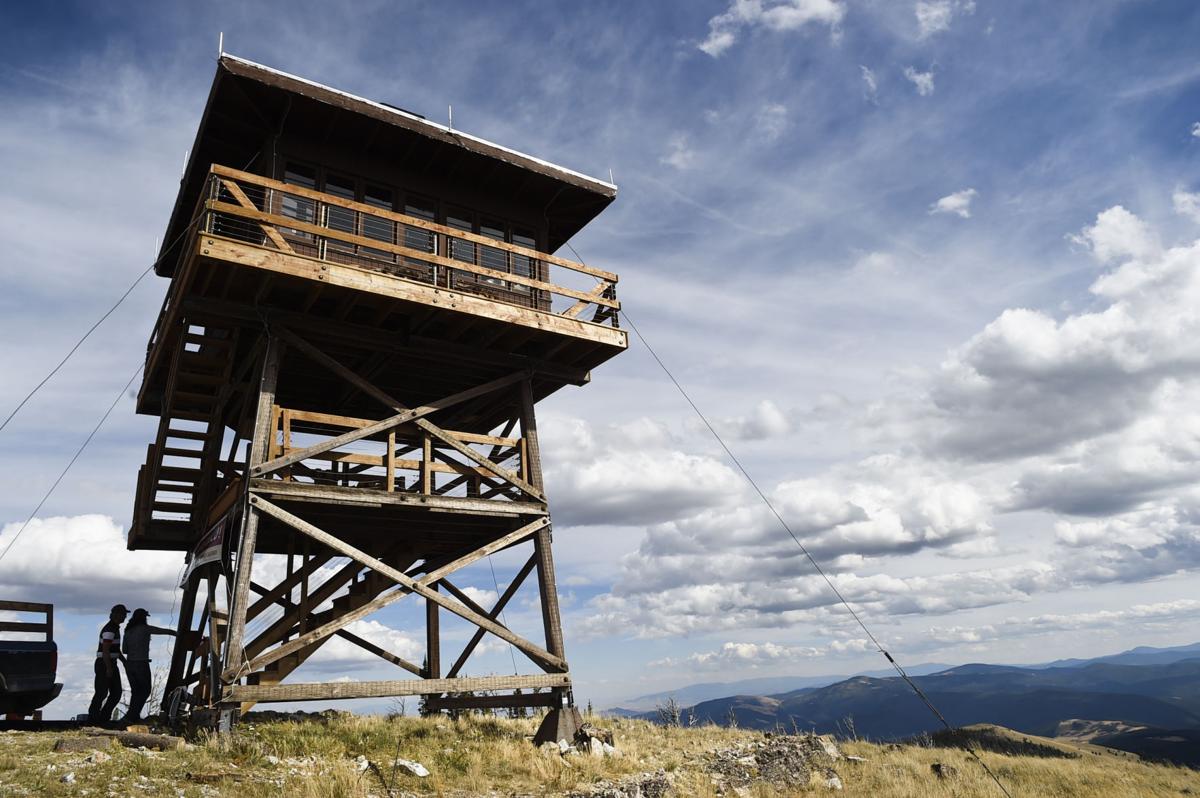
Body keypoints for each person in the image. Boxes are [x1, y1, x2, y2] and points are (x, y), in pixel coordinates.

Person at [119, 608, 176, 725]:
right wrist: (175, 633)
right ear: (144, 618)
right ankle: (131, 716)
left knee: (136, 692)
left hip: (129, 664)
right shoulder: (145, 629)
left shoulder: (128, 631)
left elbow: (124, 650)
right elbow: (160, 630)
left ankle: (133, 717)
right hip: (141, 663)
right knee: (145, 691)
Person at [88, 604, 128, 725]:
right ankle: (94, 719)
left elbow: (115, 649)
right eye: (123, 614)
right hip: (105, 664)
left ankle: (103, 718)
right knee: (102, 692)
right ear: (117, 615)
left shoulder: (114, 628)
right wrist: (109, 668)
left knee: (115, 692)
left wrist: (123, 661)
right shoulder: (110, 629)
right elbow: (105, 650)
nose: (125, 617)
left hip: (110, 663)